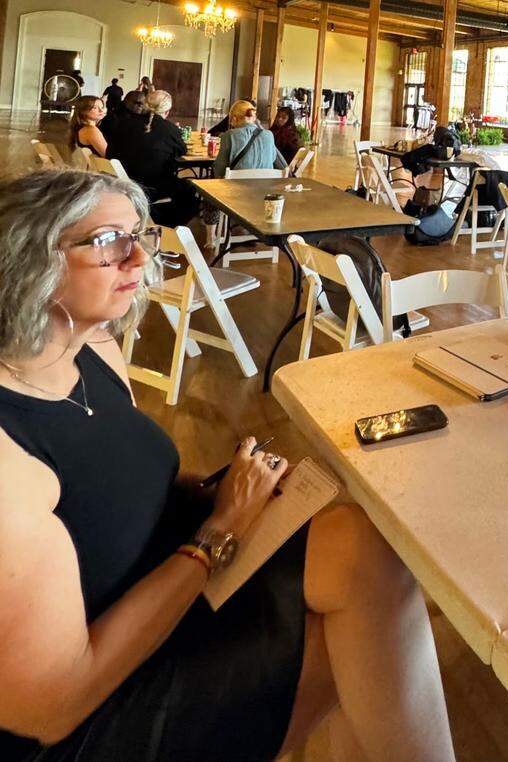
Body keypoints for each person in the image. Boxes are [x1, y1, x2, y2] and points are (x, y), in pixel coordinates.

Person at [0, 169, 456, 761]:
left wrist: (227, 490)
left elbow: (109, 486)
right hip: (91, 708)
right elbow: (53, 707)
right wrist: (220, 531)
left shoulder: (88, 347)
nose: (138, 257)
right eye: (109, 240)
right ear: (28, 260)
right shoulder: (11, 457)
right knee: (356, 648)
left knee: (364, 552)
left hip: (154, 577)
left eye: (139, 235)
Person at [105, 90, 195, 227]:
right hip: (151, 185)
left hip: (121, 180)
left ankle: (148, 216)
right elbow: (182, 151)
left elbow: (110, 152)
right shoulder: (170, 130)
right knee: (190, 191)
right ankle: (162, 224)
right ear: (168, 111)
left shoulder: (122, 124)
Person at [214, 100, 287, 176]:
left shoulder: (229, 135)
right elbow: (272, 159)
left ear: (234, 119)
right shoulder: (269, 135)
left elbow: (220, 169)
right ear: (254, 118)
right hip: (266, 185)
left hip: (237, 186)